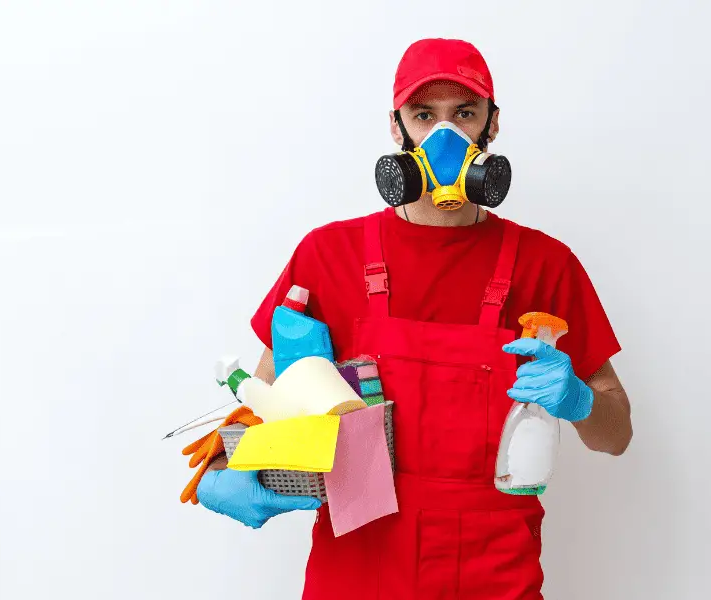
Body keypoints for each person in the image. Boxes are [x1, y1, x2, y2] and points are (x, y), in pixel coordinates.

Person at [196, 38, 633, 600]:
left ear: (491, 126)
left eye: (465, 113)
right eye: (423, 115)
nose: (443, 135)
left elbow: (616, 436)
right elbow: (264, 402)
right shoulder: (328, 256)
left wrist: (579, 399)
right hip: (357, 567)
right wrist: (235, 469)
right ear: (396, 126)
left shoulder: (546, 264)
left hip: (494, 568)